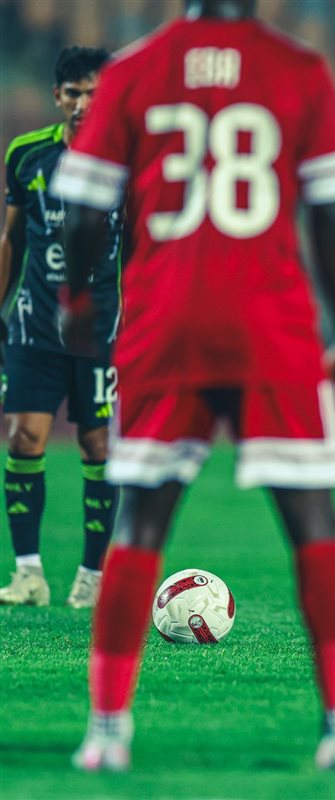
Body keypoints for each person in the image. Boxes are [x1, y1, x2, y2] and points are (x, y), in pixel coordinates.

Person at [52, 0, 335, 772]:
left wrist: (74, 303)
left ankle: (106, 733)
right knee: (313, 521)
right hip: (271, 325)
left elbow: (84, 211)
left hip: (165, 322)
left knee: (140, 522)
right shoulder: (298, 69)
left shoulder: (133, 73)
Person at [0, 46, 120, 610]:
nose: (83, 103)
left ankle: (92, 576)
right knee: (23, 437)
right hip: (35, 322)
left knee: (98, 444)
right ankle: (29, 574)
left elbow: (138, 250)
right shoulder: (26, 155)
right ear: (57, 96)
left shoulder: (128, 162)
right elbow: (11, 239)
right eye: (74, 93)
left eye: (95, 92)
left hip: (98, 328)